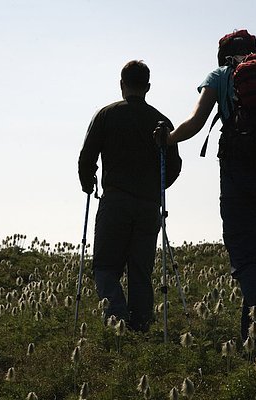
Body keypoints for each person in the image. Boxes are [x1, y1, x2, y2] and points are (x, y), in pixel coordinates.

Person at [156, 30, 256, 364]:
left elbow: (196, 121)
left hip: (242, 173)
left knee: (245, 255)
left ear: (223, 56)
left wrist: (169, 139)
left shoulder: (222, 76)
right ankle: (253, 340)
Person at [78, 60, 182, 332]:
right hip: (149, 206)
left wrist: (88, 183)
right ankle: (140, 327)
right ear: (147, 87)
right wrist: (156, 188)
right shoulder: (162, 121)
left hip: (115, 202)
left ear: (122, 84)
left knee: (104, 267)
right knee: (140, 271)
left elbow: (87, 157)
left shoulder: (106, 114)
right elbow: (174, 167)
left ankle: (116, 318)